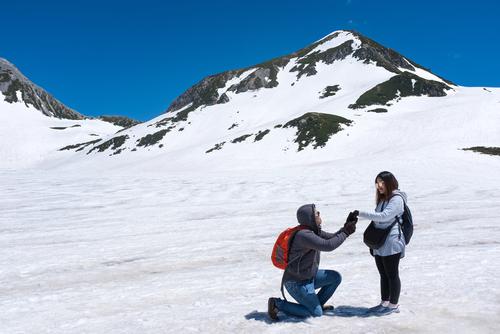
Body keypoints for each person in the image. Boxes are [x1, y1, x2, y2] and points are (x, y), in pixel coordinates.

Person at [268, 204, 357, 320]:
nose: (319, 214)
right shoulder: (303, 235)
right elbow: (328, 245)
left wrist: (345, 227)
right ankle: (277, 304)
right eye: (316, 213)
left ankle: (315, 305)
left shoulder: (313, 231)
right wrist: (346, 232)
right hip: (296, 283)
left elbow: (331, 238)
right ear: (309, 218)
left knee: (335, 277)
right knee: (316, 314)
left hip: (309, 277)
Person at [353, 171, 407, 315]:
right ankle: (384, 302)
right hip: (380, 242)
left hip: (392, 241)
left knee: (392, 274)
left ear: (390, 182)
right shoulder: (383, 199)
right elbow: (378, 219)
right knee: (383, 274)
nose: (379, 186)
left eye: (382, 182)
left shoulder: (397, 199)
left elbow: (383, 217)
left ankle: (393, 305)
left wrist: (360, 213)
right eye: (377, 183)